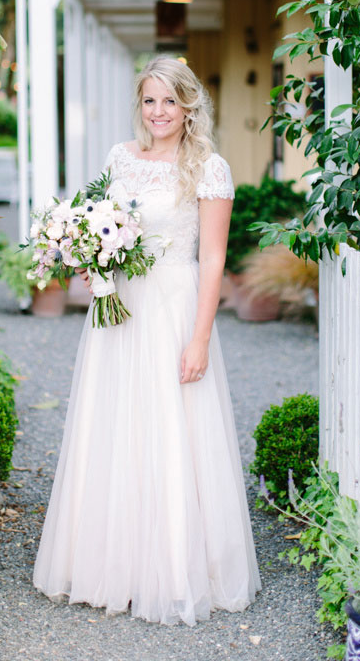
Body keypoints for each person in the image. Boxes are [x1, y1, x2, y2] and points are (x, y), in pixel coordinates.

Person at [33, 56, 260, 625]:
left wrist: (200, 338)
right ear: (141, 106)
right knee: (114, 427)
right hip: (121, 311)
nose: (159, 112)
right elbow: (102, 227)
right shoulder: (119, 158)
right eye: (150, 100)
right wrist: (90, 263)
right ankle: (110, 563)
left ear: (189, 106)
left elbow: (212, 261)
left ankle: (176, 567)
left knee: (172, 429)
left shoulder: (208, 168)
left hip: (172, 308)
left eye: (169, 101)